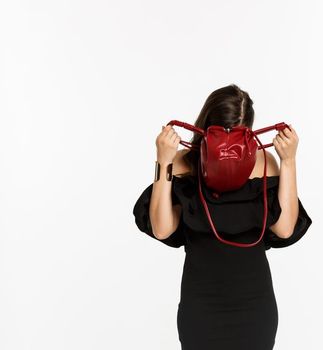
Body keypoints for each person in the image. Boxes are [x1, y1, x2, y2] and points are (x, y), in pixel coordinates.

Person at [132, 84, 313, 350]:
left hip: (254, 306)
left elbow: (285, 229)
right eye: (221, 134)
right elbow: (161, 228)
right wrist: (164, 161)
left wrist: (289, 161)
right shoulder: (183, 162)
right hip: (202, 306)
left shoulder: (266, 163)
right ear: (206, 129)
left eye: (237, 135)